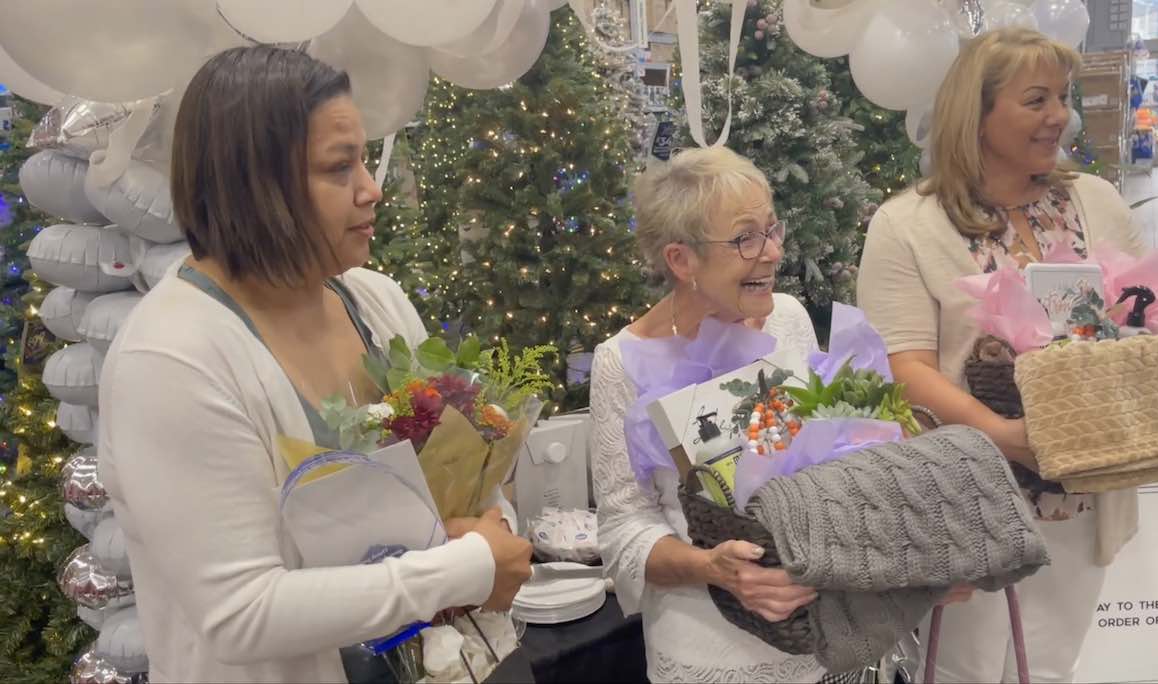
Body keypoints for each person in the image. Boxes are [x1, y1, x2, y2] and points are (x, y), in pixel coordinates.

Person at [97, 46, 532, 683]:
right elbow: (241, 612)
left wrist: (490, 533)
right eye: (339, 167)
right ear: (251, 187)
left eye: (364, 159)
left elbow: (464, 483)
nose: (371, 189)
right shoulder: (171, 360)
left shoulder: (374, 300)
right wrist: (464, 568)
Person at [857, 27, 1144, 683]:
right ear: (978, 116)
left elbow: (1147, 310)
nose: (1059, 117)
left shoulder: (1093, 202)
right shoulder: (907, 225)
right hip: (967, 505)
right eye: (1036, 99)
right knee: (966, 671)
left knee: (1047, 668)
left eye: (1063, 98)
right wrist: (1007, 438)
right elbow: (904, 370)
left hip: (1080, 497)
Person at [590, 145, 823, 682]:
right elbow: (625, 528)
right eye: (746, 238)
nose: (771, 253)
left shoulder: (786, 319)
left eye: (772, 230)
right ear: (681, 260)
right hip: (703, 651)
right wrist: (714, 569)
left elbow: (821, 461)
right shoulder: (619, 361)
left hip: (805, 635)